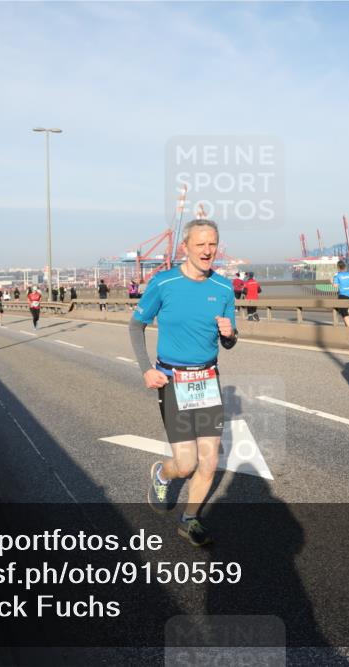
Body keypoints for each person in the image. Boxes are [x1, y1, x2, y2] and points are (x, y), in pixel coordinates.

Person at [130, 219, 237, 547]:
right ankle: (163, 474)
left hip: (207, 380)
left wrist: (230, 334)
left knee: (209, 460)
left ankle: (189, 519)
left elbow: (229, 339)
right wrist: (146, 369)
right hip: (173, 380)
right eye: (200, 244)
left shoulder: (223, 288)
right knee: (186, 462)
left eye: (213, 244)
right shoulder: (164, 282)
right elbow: (136, 327)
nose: (208, 251)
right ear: (185, 247)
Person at [331, 260, 349, 328]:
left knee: (344, 314)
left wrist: (331, 282)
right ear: (345, 267)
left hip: (342, 296)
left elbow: (335, 286)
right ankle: (347, 328)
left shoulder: (337, 275)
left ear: (338, 267)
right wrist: (348, 283)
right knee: (345, 312)